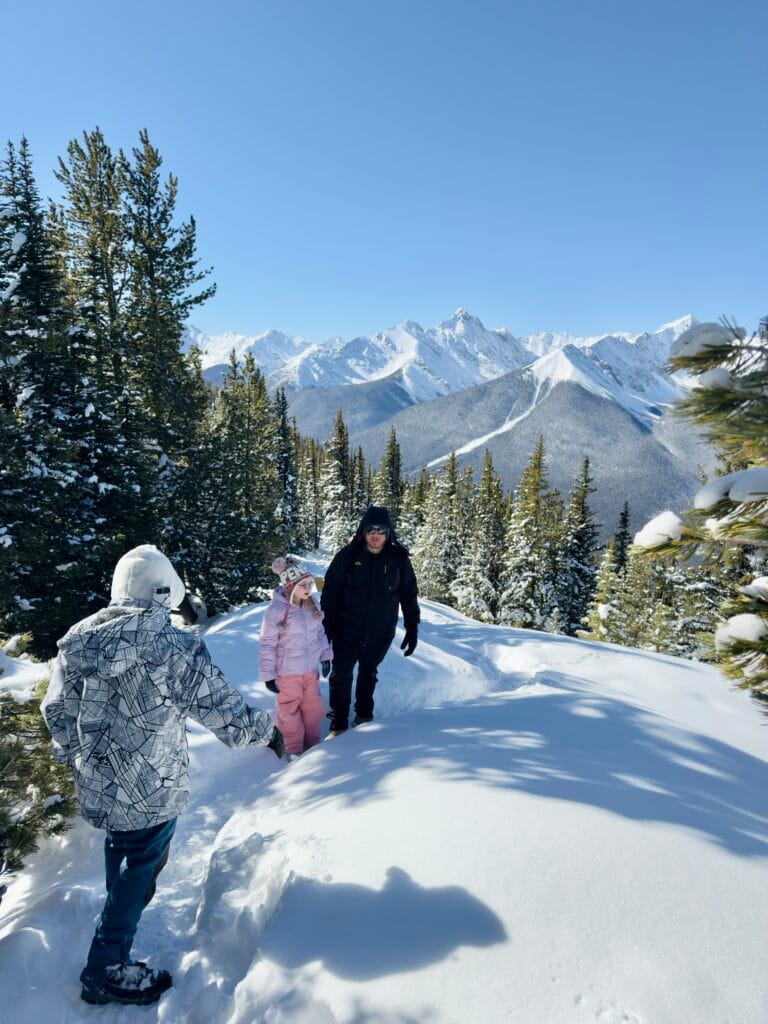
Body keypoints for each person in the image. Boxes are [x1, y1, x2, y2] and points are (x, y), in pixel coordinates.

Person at [40, 544, 284, 1008]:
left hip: (100, 782)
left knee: (124, 854)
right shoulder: (172, 646)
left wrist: (75, 753)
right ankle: (105, 967)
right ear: (164, 589)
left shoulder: (78, 640)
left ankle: (118, 930)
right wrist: (267, 730)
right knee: (141, 868)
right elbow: (223, 712)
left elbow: (56, 710)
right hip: (151, 787)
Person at [321, 506, 420, 737]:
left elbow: (408, 594)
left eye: (381, 530)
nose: (375, 535)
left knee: (368, 672)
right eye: (371, 529)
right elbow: (330, 594)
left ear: (388, 533)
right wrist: (326, 629)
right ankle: (338, 723)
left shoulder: (398, 559)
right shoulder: (347, 556)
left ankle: (364, 716)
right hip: (346, 630)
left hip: (380, 632)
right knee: (341, 674)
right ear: (363, 532)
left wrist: (412, 626)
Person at [259, 556, 332, 757]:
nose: (308, 588)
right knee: (289, 714)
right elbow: (267, 643)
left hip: (310, 672)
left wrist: (325, 655)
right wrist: (268, 676)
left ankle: (314, 746)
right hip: (287, 674)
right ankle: (294, 751)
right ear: (290, 586)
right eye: (303, 585)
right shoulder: (277, 611)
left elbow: (319, 633)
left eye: (310, 583)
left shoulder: (312, 604)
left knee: (314, 709)